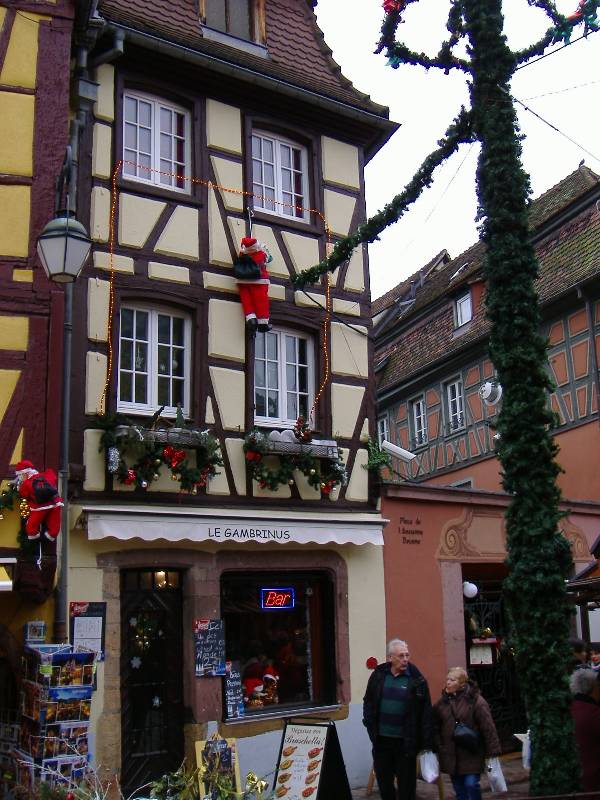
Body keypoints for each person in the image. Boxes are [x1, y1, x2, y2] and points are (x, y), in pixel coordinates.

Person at [362, 639, 433, 800]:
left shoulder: (416, 679)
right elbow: (369, 701)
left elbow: (426, 712)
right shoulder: (379, 676)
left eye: (407, 655)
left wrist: (425, 743)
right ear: (390, 658)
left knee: (407, 788)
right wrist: (369, 724)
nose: (405, 659)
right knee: (385, 784)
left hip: (405, 743)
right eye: (401, 656)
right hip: (381, 741)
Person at [433, 667, 501, 800]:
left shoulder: (476, 701)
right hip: (451, 754)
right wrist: (439, 746)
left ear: (462, 683)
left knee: (471, 785)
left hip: (471, 753)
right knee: (459, 790)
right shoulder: (442, 703)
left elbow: (488, 726)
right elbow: (435, 726)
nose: (448, 682)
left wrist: (493, 752)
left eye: (452, 680)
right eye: (447, 679)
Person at [14, 459, 63, 541]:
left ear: (25, 473)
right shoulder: (46, 475)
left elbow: (24, 494)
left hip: (39, 507)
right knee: (54, 522)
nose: (20, 477)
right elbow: (53, 477)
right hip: (55, 502)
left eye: (20, 475)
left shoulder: (26, 483)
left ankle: (34, 535)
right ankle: (51, 535)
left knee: (32, 524)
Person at [570, 668, 600, 792]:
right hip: (594, 780)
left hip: (573, 777)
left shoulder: (567, 710)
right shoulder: (594, 713)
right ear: (593, 687)